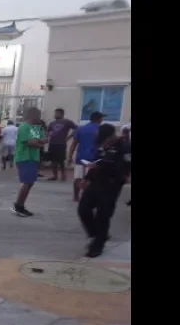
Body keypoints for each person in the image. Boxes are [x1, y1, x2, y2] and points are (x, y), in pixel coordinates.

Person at [77, 124, 131, 257]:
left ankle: (97, 246)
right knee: (83, 209)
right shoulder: (102, 144)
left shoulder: (125, 147)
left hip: (111, 185)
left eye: (106, 139)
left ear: (112, 135)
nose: (104, 142)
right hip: (96, 182)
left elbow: (123, 170)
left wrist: (102, 166)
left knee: (103, 215)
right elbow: (95, 162)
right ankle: (96, 234)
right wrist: (86, 178)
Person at [11, 107, 48, 217]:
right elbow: (31, 143)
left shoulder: (36, 128)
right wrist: (39, 142)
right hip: (24, 158)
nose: (40, 118)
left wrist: (39, 141)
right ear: (33, 116)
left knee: (30, 182)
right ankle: (18, 205)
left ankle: (21, 204)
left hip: (33, 158)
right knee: (27, 182)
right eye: (38, 115)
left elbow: (45, 139)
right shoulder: (24, 127)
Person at [69, 112, 103, 202]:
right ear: (99, 119)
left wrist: (69, 156)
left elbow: (73, 144)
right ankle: (88, 197)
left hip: (81, 157)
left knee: (78, 177)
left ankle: (76, 197)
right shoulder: (101, 129)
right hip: (94, 158)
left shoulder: (81, 129)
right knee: (92, 178)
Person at [46, 108, 77, 181]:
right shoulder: (52, 123)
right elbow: (47, 132)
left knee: (61, 160)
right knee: (53, 160)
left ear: (62, 114)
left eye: (57, 113)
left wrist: (69, 137)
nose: (55, 115)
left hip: (61, 144)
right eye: (55, 113)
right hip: (52, 143)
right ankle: (54, 176)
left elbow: (76, 128)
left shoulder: (67, 122)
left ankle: (63, 175)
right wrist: (47, 136)